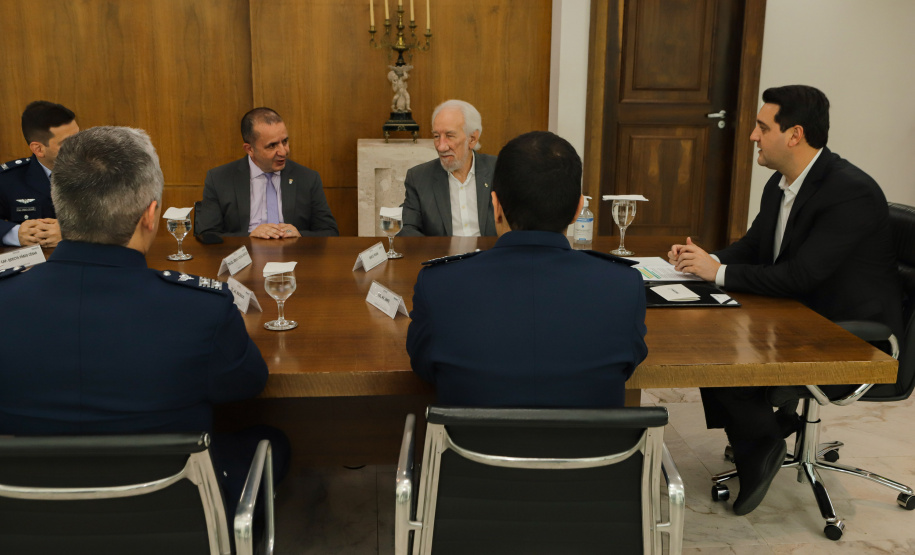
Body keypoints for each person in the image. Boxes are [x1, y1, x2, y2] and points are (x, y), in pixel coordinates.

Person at [0, 125, 288, 516]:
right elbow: (248, 384)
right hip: (172, 519)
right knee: (271, 440)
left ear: (60, 206)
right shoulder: (202, 310)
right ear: (151, 216)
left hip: (28, 518)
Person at [669, 85, 903, 516]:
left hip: (851, 336)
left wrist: (716, 273)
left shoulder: (849, 191)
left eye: (762, 127)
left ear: (794, 135)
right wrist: (706, 259)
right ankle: (763, 429)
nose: (753, 136)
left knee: (722, 342)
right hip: (803, 314)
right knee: (708, 326)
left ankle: (761, 441)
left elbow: (801, 275)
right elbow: (756, 245)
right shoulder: (782, 183)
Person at [407, 131, 648, 407]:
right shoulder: (624, 285)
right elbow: (628, 366)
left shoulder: (439, 285)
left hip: (472, 450)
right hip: (593, 450)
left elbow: (424, 368)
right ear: (577, 210)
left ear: (496, 206)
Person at [196, 107, 338, 239]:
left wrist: (299, 234)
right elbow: (207, 234)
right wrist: (249, 236)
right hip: (245, 258)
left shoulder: (307, 178)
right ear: (249, 149)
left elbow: (330, 232)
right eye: (272, 146)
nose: (283, 152)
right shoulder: (219, 179)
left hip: (295, 258)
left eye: (285, 141)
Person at [399, 99, 497, 237]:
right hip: (443, 256)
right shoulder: (419, 177)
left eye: (450, 136)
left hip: (489, 256)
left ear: (472, 139)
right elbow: (406, 228)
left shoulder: (499, 170)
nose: (441, 146)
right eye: (436, 136)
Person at [0, 101, 79, 248]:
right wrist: (15, 234)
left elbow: (126, 220)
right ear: (39, 149)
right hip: (36, 267)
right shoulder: (8, 179)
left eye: (79, 137)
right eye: (67, 142)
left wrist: (73, 233)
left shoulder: (101, 171)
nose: (79, 147)